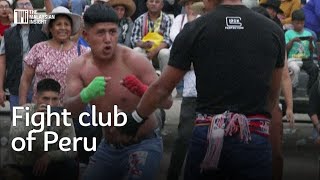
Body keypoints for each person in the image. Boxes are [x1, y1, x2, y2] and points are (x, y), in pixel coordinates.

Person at [127, 0, 285, 179]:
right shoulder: (273, 30)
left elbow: (162, 88)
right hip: (253, 136)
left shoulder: (195, 29)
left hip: (209, 134)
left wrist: (135, 118)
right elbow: (272, 95)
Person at [63, 4, 172, 179]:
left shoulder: (135, 60)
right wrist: (85, 95)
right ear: (86, 35)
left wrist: (144, 90)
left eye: (113, 32)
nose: (108, 39)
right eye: (100, 32)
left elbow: (168, 103)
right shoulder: (79, 67)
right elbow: (68, 111)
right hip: (108, 147)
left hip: (143, 144)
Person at [8, 78, 77, 180]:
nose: (50, 104)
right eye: (45, 98)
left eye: (54, 99)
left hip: (50, 164)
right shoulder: (23, 112)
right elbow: (16, 144)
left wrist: (49, 156)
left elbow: (72, 148)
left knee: (71, 166)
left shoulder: (63, 115)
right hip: (24, 164)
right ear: (36, 98)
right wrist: (35, 123)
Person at [19, 6, 86, 106]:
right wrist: (22, 106)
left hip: (73, 110)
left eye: (66, 24)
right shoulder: (38, 49)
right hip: (41, 110)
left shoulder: (82, 51)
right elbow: (25, 80)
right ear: (51, 28)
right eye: (58, 24)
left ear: (71, 28)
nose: (63, 28)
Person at [0, 0, 51, 111]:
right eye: (21, 5)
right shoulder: (8, 34)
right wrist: (0, 89)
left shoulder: (43, 29)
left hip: (41, 89)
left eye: (27, 4)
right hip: (16, 88)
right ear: (15, 11)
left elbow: (52, 17)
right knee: (19, 124)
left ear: (33, 9)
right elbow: (2, 62)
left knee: (42, 124)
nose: (25, 7)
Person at [131, 0, 172, 70]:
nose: (153, 4)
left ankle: (165, 80)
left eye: (157, 2)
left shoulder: (167, 19)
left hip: (159, 52)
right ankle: (140, 79)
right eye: (151, 1)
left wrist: (154, 51)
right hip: (144, 51)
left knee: (165, 53)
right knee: (136, 50)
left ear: (162, 5)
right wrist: (144, 44)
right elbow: (134, 40)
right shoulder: (140, 19)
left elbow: (167, 41)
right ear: (147, 4)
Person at [285, 9, 318, 95]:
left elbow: (311, 50)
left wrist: (310, 42)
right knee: (295, 69)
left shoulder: (308, 33)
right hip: (293, 58)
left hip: (306, 58)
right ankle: (292, 88)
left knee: (315, 69)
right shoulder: (288, 33)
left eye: (302, 23)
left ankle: (310, 91)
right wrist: (292, 41)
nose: (300, 25)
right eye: (297, 23)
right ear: (292, 22)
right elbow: (286, 49)